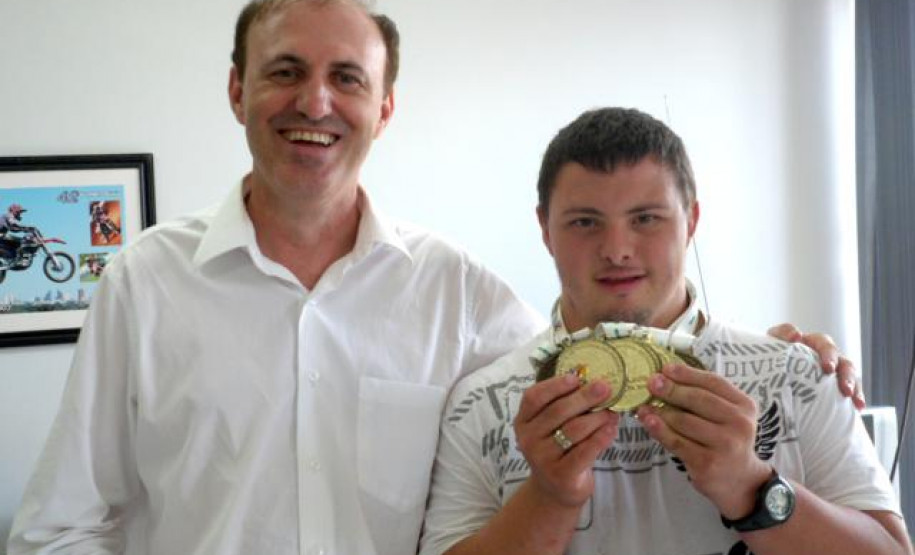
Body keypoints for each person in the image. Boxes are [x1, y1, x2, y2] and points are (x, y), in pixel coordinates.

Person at [5, 2, 863, 554]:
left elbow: (605, 349)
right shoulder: (143, 283)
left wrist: (774, 353)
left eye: (347, 78)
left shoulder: (459, 289)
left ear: (384, 106)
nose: (315, 102)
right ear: (236, 91)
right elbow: (59, 528)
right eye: (284, 71)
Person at [419, 108, 912, 555]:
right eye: (585, 222)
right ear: (545, 229)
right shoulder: (479, 404)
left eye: (646, 219)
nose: (617, 249)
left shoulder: (796, 374)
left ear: (691, 219)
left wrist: (751, 486)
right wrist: (549, 495)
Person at [0, 204, 32, 268]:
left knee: (15, 244)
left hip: (1, 236)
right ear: (15, 211)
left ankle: (13, 259)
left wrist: (23, 229)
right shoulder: (9, 215)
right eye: (20, 212)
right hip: (1, 235)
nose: (20, 214)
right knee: (21, 241)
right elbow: (13, 224)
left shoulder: (8, 216)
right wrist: (25, 227)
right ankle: (16, 260)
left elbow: (13, 229)